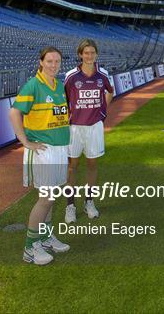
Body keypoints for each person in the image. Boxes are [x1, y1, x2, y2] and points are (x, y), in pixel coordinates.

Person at [9, 47, 70, 265]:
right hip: (44, 151)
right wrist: (25, 141)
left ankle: (45, 238)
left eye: (57, 61)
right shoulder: (33, 85)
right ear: (41, 62)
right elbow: (14, 112)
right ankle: (29, 248)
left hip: (60, 149)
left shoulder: (59, 86)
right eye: (50, 61)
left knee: (52, 198)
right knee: (46, 198)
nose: (54, 65)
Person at [64, 39, 113, 223]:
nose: (89, 56)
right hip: (75, 127)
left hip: (94, 127)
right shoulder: (71, 76)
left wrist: (102, 111)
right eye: (86, 52)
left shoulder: (103, 74)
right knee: (72, 166)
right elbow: (64, 98)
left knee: (92, 165)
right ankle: (70, 205)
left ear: (96, 54)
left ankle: (89, 201)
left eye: (92, 52)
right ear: (80, 54)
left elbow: (110, 91)